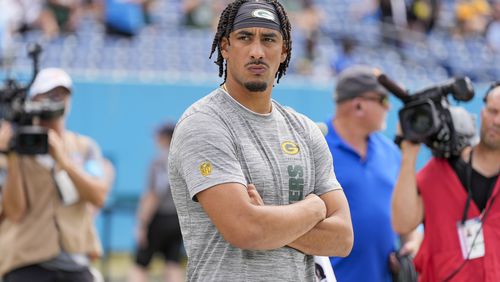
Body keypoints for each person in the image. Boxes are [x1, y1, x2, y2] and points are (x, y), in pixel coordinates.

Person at [168, 0, 354, 281]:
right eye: (245, 37)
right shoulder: (204, 124)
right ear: (225, 47)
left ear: (284, 51)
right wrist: (313, 208)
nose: (257, 51)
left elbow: (342, 238)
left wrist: (268, 218)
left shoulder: (304, 130)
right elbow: (245, 229)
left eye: (269, 39)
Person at [0, 68, 114, 282]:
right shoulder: (14, 149)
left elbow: (99, 196)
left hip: (75, 262)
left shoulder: (84, 147)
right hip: (27, 262)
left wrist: (64, 161)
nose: (57, 101)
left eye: (62, 94)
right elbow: (14, 212)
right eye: (49, 95)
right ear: (33, 100)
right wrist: (12, 158)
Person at [392, 84, 500, 281]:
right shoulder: (441, 170)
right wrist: (409, 153)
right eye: (493, 111)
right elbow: (402, 223)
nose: (498, 120)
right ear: (482, 112)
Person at [323, 65, 420, 282]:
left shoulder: (391, 152)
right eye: (383, 101)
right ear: (358, 105)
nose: (389, 108)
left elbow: (406, 214)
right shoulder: (317, 148)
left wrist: (412, 241)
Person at [129, 123, 184, 282]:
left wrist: (142, 223)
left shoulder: (159, 161)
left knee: (140, 264)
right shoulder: (182, 159)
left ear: (166, 137)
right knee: (173, 263)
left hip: (159, 218)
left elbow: (154, 194)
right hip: (178, 218)